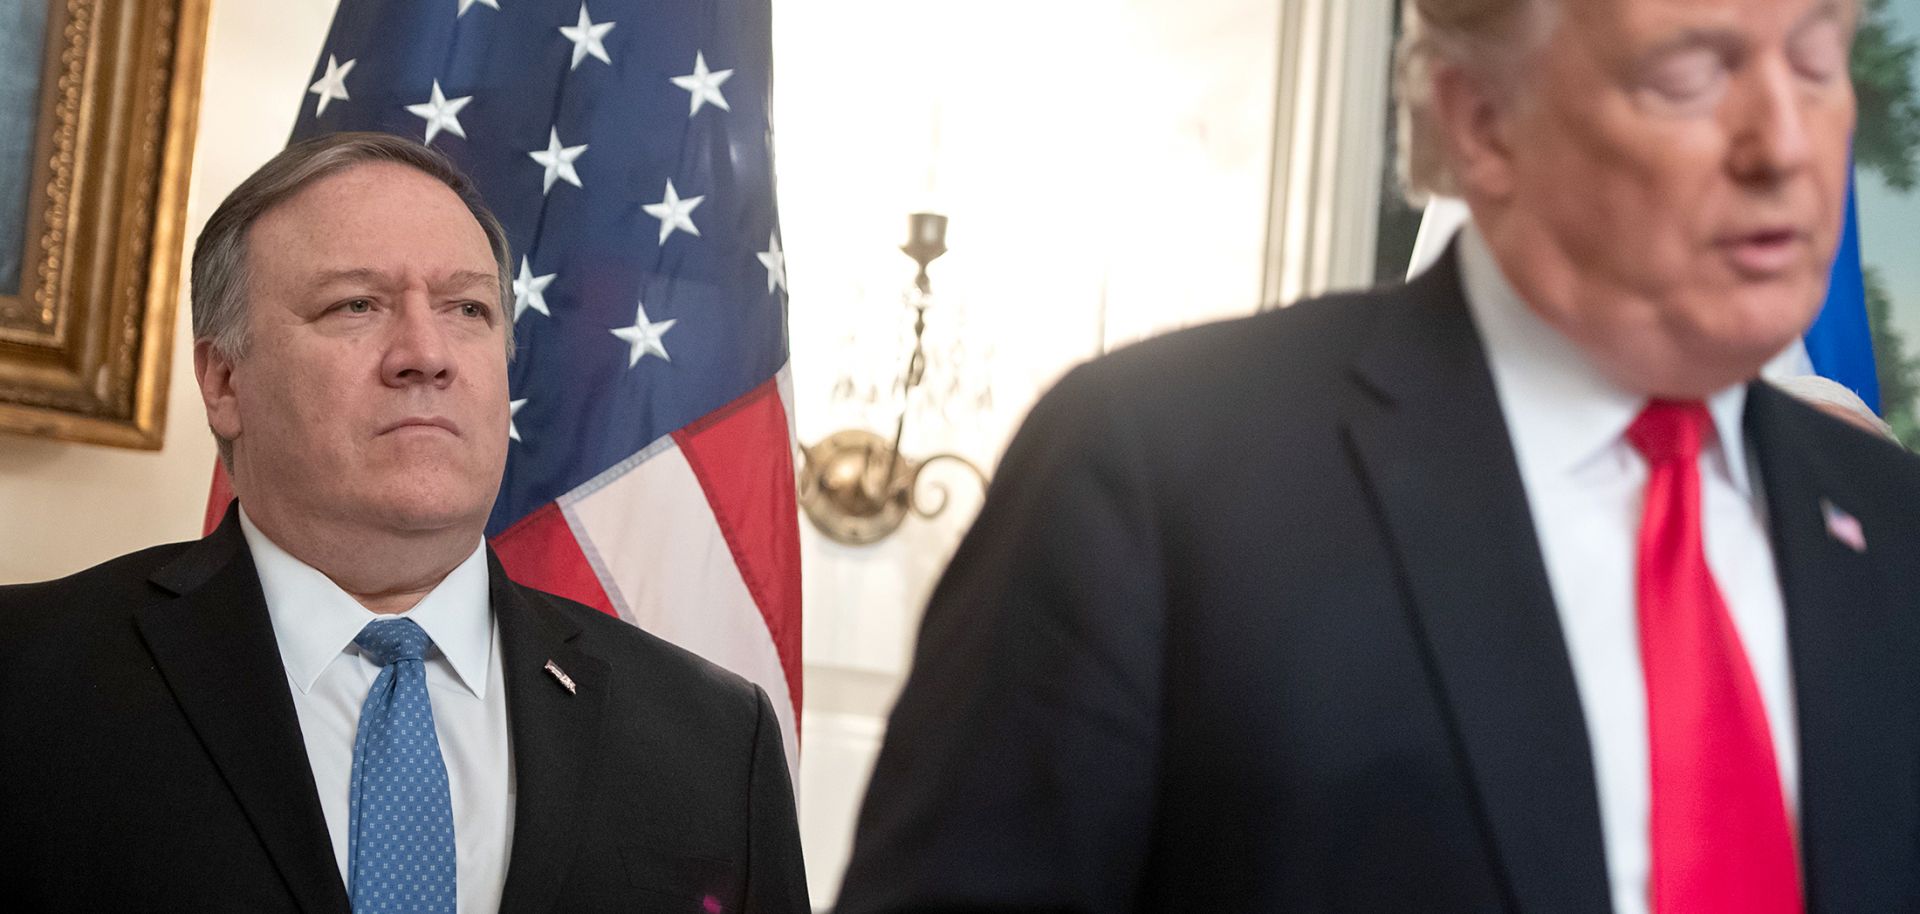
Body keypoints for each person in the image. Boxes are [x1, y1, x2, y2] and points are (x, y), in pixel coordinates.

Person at [836, 0, 1920, 912]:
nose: (1783, 141)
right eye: (1692, 75)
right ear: (1484, 121)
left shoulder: (1895, 532)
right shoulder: (1159, 478)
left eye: (1818, 62)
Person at [0, 132, 807, 914]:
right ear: (223, 380)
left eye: (467, 309)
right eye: (356, 304)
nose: (427, 352)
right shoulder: (28, 677)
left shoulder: (712, 738)